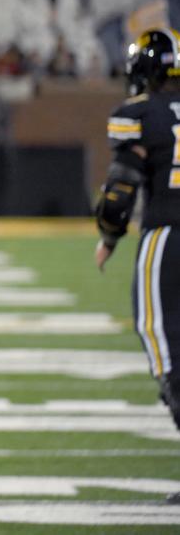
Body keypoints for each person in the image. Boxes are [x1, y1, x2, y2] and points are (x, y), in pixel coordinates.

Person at [95, 29, 180, 434]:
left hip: (168, 235)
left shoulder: (140, 114)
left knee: (164, 345)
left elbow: (120, 193)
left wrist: (110, 235)